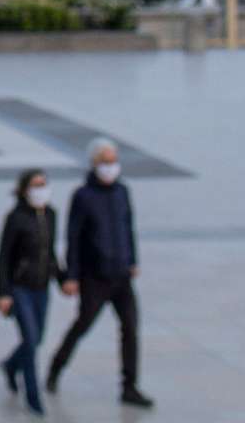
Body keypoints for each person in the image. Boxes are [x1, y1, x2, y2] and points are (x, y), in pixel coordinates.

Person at [48, 137, 154, 409]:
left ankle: (129, 386)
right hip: (95, 276)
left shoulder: (122, 192)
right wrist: (71, 275)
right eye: (105, 162)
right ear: (94, 163)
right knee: (83, 325)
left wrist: (133, 259)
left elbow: (128, 227)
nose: (110, 166)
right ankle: (56, 367)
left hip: (121, 275)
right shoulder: (83, 196)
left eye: (113, 161)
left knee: (130, 328)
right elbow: (73, 237)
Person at [0, 168, 61, 415]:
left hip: (42, 287)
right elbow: (3, 257)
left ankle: (11, 366)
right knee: (31, 341)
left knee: (37, 338)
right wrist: (2, 293)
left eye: (44, 184)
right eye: (35, 185)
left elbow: (50, 251)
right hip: (20, 288)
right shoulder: (16, 218)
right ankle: (34, 398)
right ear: (23, 189)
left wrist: (63, 278)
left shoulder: (51, 214)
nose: (41, 190)